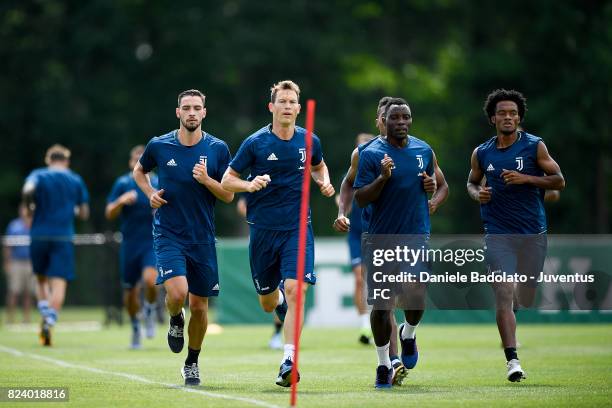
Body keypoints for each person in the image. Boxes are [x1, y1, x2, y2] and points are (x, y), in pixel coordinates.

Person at [221, 80, 335, 387]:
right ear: (271, 107)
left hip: (298, 228)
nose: (287, 106)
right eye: (281, 101)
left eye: (291, 102)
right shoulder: (255, 143)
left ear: (298, 108)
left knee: (298, 289)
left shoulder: (309, 140)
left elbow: (319, 166)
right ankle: (277, 302)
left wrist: (323, 181)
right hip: (262, 232)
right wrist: (249, 185)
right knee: (268, 303)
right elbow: (226, 180)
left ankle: (289, 361)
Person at [133, 89, 233, 386]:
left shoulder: (218, 149)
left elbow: (228, 194)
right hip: (169, 233)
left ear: (204, 112)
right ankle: (175, 318)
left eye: (196, 108)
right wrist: (150, 193)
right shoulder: (159, 145)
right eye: (186, 108)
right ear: (178, 112)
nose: (191, 112)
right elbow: (140, 172)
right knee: (177, 294)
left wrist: (206, 180)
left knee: (200, 307)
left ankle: (192, 361)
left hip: (202, 237)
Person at [467, 89, 565, 382]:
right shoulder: (482, 152)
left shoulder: (535, 146)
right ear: (492, 118)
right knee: (504, 292)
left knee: (525, 296)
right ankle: (512, 361)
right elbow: (471, 183)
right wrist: (478, 194)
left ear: (519, 117)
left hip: (532, 233)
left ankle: (514, 316)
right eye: (502, 113)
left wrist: (526, 179)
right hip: (497, 233)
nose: (507, 117)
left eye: (512, 113)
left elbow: (559, 180)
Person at [354, 98, 449, 388]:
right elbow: (360, 198)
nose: (401, 122)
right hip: (381, 238)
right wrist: (383, 178)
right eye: (394, 118)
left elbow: (443, 185)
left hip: (415, 234)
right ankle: (383, 364)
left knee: (416, 291)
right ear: (384, 121)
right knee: (382, 307)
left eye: (405, 117)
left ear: (411, 120)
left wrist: (433, 197)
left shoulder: (423, 150)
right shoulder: (371, 154)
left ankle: (409, 333)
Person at [22, 144, 90, 346]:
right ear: (66, 161)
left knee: (41, 278)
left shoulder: (39, 175)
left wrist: (29, 206)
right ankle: (50, 320)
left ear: (48, 160)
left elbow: (27, 190)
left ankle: (44, 312)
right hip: (63, 237)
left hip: (39, 235)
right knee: (59, 282)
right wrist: (76, 212)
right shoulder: (75, 179)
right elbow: (84, 212)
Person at [106, 145, 159, 349]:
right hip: (130, 244)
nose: (140, 163)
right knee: (130, 292)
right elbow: (109, 213)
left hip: (152, 242)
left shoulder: (158, 182)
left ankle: (150, 309)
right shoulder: (123, 183)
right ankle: (136, 327)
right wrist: (121, 201)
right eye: (136, 160)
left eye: (143, 160)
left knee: (151, 280)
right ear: (131, 163)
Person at [236, 195, 284, 350]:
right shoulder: (256, 178)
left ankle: (279, 336)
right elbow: (241, 205)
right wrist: (261, 215)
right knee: (270, 300)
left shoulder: (292, 176)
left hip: (288, 235)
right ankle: (281, 302)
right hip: (262, 238)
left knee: (289, 285)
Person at [2, 204, 36, 324]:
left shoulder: (35, 225)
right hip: (16, 262)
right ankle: (10, 319)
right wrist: (7, 262)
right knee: (14, 291)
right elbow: (8, 246)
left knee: (28, 293)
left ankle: (26, 320)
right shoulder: (14, 225)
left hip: (31, 262)